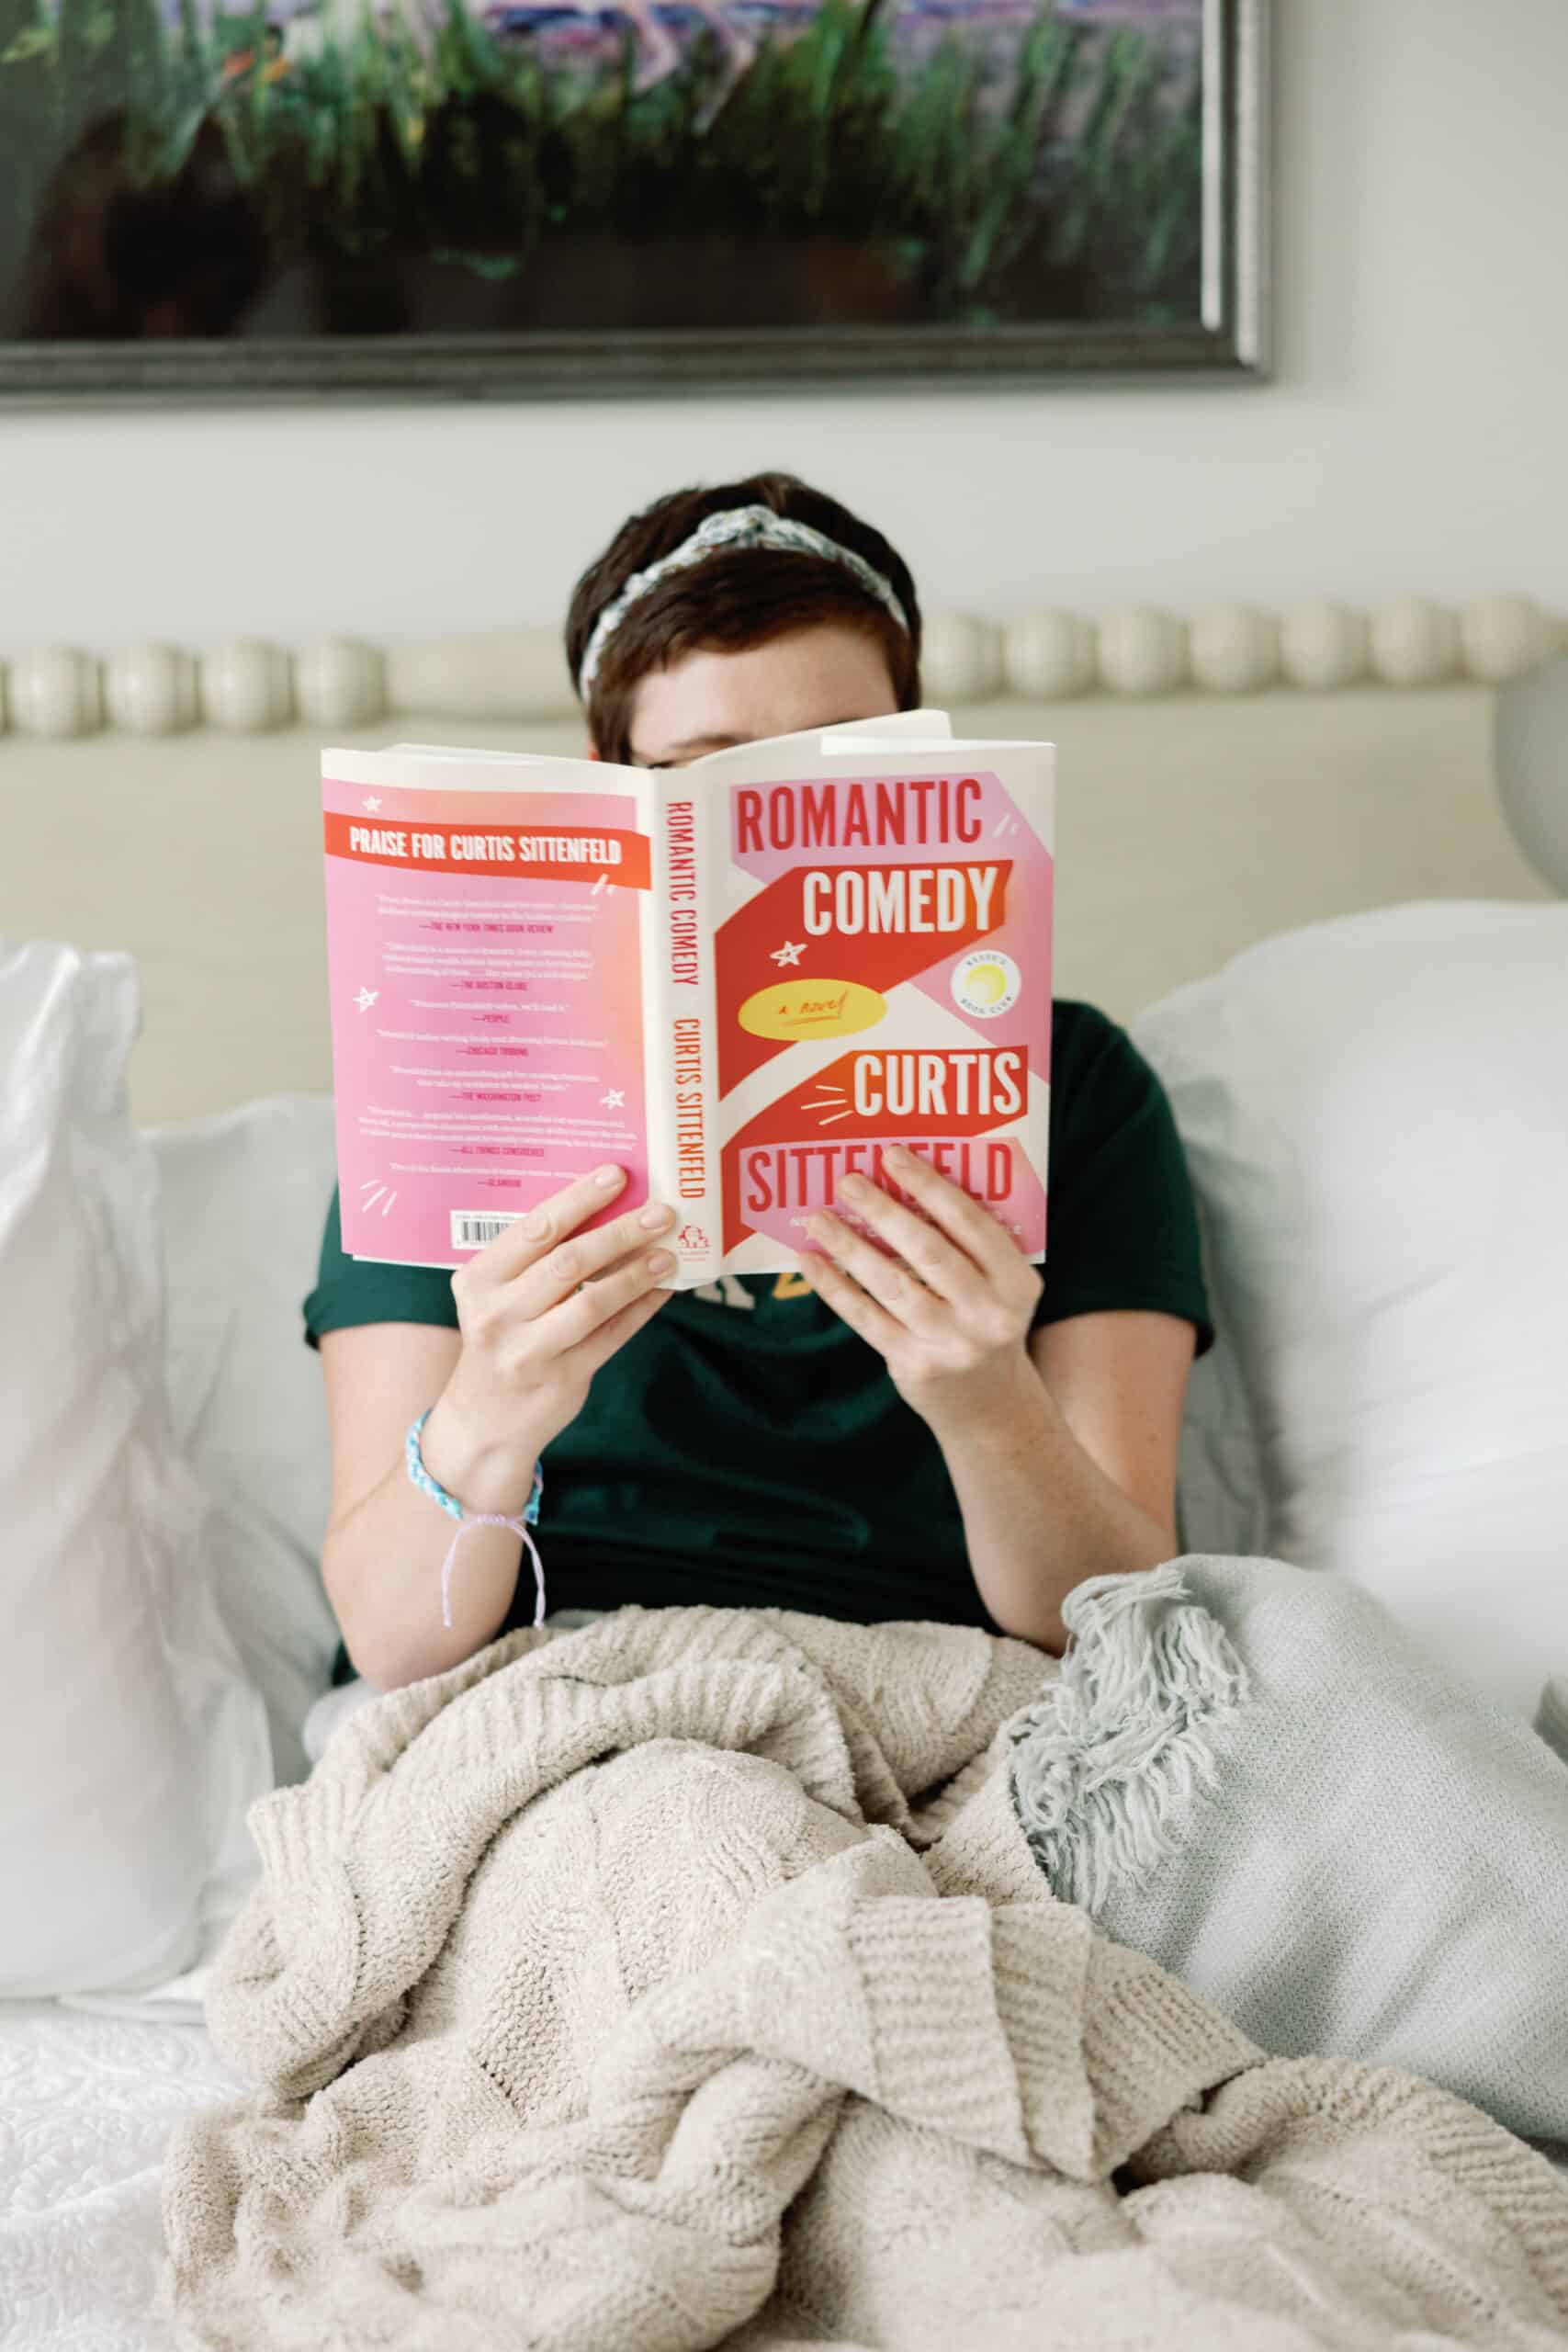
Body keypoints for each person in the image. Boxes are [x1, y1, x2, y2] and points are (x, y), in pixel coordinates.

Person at [304, 471, 1213, 1719]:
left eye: (834, 769)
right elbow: (393, 1635)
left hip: (946, 1695)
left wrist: (987, 1401)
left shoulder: (1077, 1089)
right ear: (610, 781)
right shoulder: (455, 1081)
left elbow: (1119, 1621)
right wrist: (494, 1410)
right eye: (704, 773)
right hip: (564, 1688)